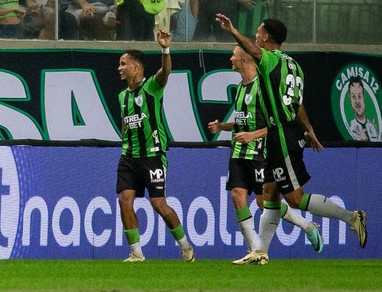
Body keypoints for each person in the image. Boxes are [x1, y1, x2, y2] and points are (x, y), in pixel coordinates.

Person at [215, 15, 369, 263]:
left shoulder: (270, 59)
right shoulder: (295, 65)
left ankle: (352, 217)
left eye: (258, 32)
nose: (255, 36)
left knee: (295, 199)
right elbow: (297, 104)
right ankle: (260, 252)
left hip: (282, 135)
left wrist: (232, 30)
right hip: (286, 132)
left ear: (266, 37)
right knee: (269, 193)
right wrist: (309, 128)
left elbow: (253, 51)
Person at [207, 46, 324, 260]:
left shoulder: (263, 87)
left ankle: (307, 226)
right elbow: (244, 120)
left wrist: (253, 136)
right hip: (240, 151)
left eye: (234, 55)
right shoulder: (241, 87)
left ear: (244, 60)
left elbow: (277, 123)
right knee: (237, 196)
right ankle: (255, 251)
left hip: (262, 151)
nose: (231, 58)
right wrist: (223, 126)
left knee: (264, 203)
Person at [116, 29, 196, 262]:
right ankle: (136, 253)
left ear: (136, 67)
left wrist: (165, 48)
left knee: (159, 204)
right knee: (124, 200)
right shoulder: (123, 97)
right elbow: (125, 124)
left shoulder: (151, 87)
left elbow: (166, 71)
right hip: (129, 156)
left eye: (123, 64)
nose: (119, 68)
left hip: (152, 155)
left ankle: (185, 247)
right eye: (119, 64)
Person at [347, 77, 381, 142]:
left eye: (359, 96)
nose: (357, 101)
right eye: (353, 97)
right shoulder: (350, 127)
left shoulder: (374, 127)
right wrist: (358, 140)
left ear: (363, 97)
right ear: (350, 100)